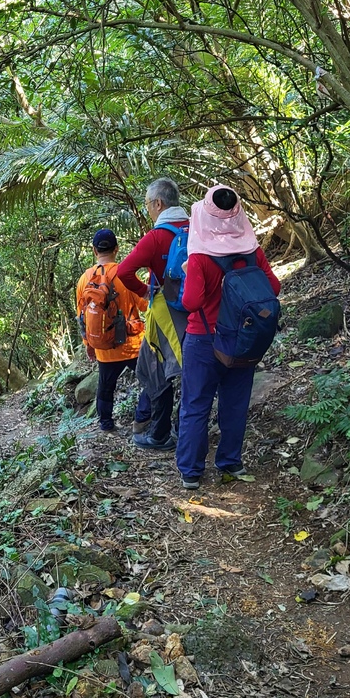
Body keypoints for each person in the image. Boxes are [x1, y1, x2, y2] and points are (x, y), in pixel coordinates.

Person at [176, 185, 281, 489]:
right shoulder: (251, 250)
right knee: (235, 404)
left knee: (196, 404)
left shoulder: (200, 256)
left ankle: (192, 471)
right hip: (242, 340)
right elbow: (272, 288)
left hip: (204, 339)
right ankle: (230, 462)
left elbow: (191, 303)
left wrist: (187, 273)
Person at [117, 178, 189, 451]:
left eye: (148, 204)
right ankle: (185, 429)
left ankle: (161, 435)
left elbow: (124, 271)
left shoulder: (156, 237)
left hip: (165, 312)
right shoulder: (197, 227)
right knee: (191, 367)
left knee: (156, 368)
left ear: (158, 203)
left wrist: (146, 291)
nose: (148, 209)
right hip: (198, 309)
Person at [76, 228, 151, 433]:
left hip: (104, 347)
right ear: (116, 249)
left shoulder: (84, 280)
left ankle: (106, 423)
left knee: (105, 386)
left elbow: (82, 316)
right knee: (152, 381)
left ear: (94, 250)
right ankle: (143, 418)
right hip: (132, 345)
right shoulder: (125, 274)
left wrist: (88, 345)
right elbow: (145, 305)